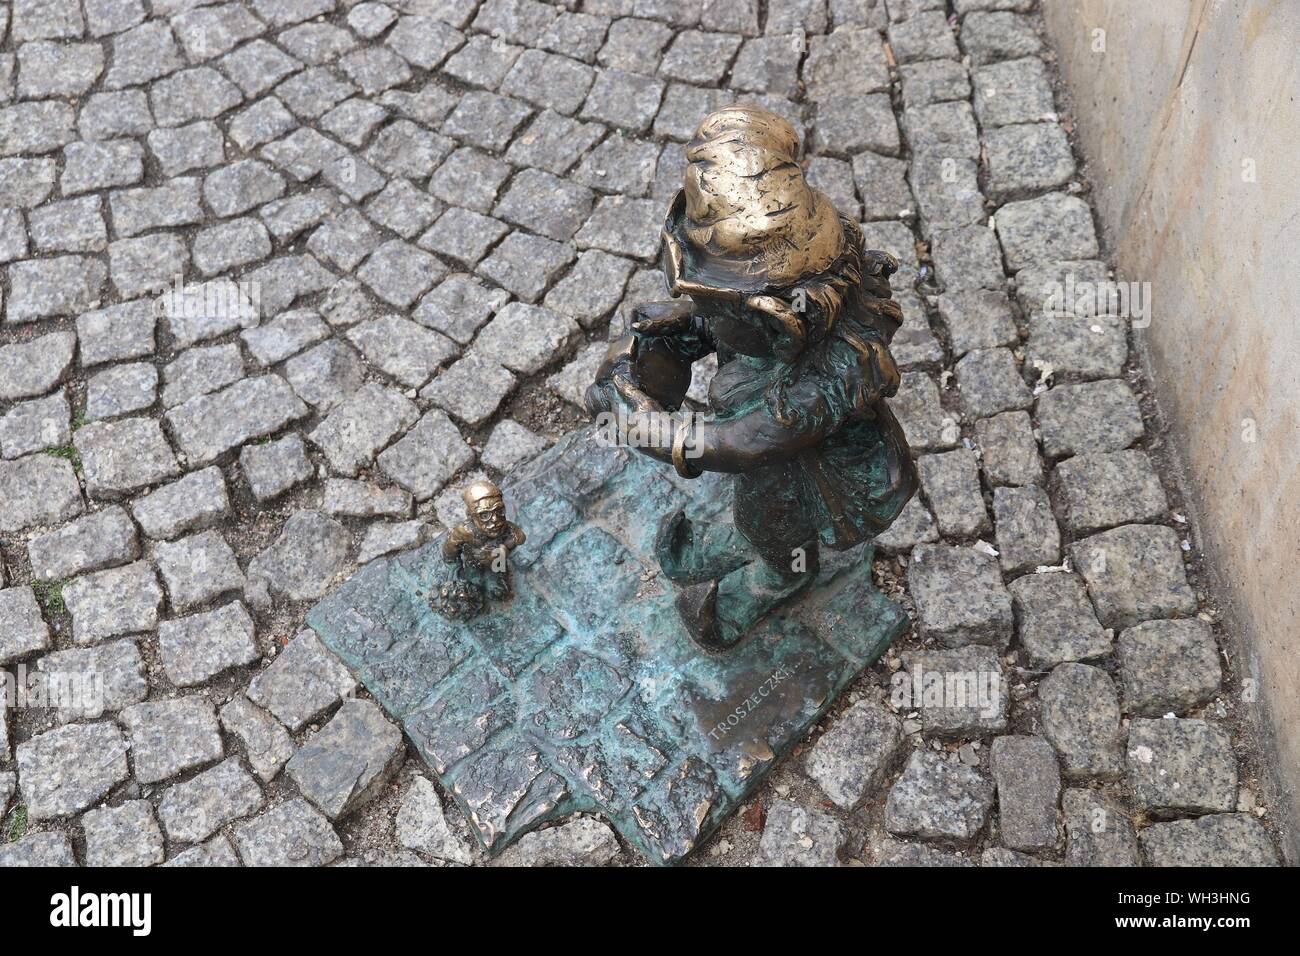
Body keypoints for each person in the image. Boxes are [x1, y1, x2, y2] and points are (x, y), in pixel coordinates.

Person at [586, 105, 918, 649]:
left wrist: (640, 427)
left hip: (819, 478)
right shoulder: (775, 332)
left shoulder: (827, 379)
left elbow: (738, 444)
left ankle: (780, 577)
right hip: (773, 471)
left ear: (777, 322)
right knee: (762, 510)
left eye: (712, 307)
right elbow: (724, 338)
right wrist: (672, 337)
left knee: (778, 526)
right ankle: (744, 544)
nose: (698, 311)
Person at [436, 480, 526, 617]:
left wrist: (504, 548)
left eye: (499, 511)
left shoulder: (505, 527)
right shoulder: (464, 531)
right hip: (473, 561)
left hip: (498, 561)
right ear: (471, 516)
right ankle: (476, 587)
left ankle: (496, 582)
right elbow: (451, 546)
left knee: (498, 578)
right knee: (474, 581)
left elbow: (520, 536)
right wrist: (453, 563)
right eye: (485, 515)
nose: (495, 520)